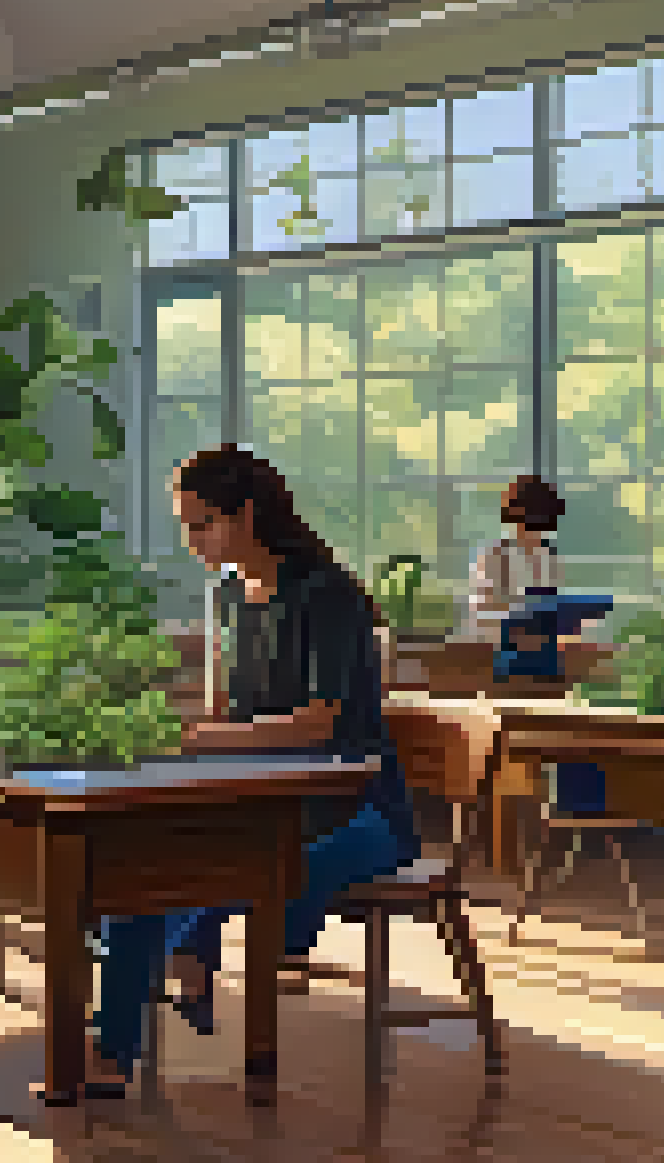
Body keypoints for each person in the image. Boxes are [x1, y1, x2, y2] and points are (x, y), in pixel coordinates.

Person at [77, 444, 418, 1097]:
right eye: (186, 525)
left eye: (203, 523)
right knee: (139, 883)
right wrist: (170, 727)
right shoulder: (228, 595)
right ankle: (112, 1053)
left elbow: (321, 721)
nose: (192, 539)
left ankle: (188, 958)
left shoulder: (329, 595)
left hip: (356, 808)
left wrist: (204, 741)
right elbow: (224, 708)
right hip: (261, 797)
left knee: (224, 880)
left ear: (248, 515)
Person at [466, 475, 565, 646]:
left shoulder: (549, 560)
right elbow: (482, 619)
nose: (539, 533)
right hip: (498, 652)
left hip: (541, 649)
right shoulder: (494, 557)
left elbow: (552, 614)